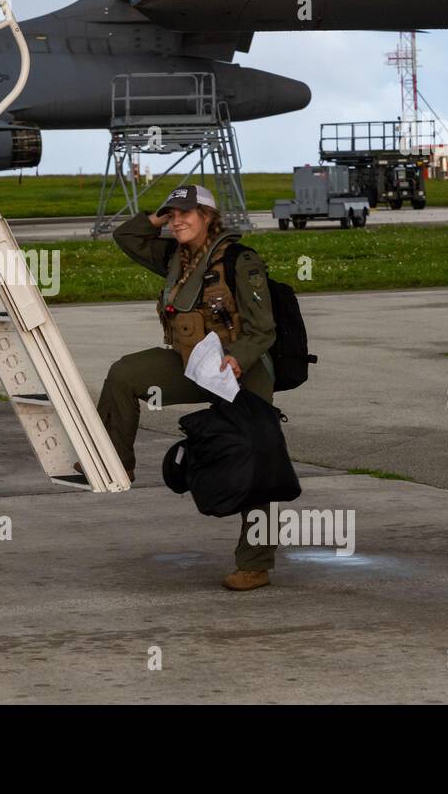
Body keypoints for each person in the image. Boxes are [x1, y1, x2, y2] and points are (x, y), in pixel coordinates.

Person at [97, 184, 279, 591]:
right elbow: (126, 237)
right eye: (171, 214)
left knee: (252, 462)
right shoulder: (175, 258)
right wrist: (156, 219)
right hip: (194, 363)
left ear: (209, 217)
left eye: (185, 213)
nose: (176, 220)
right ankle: (114, 461)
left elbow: (263, 328)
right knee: (124, 374)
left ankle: (254, 563)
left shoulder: (240, 260)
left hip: (241, 371)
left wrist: (238, 357)